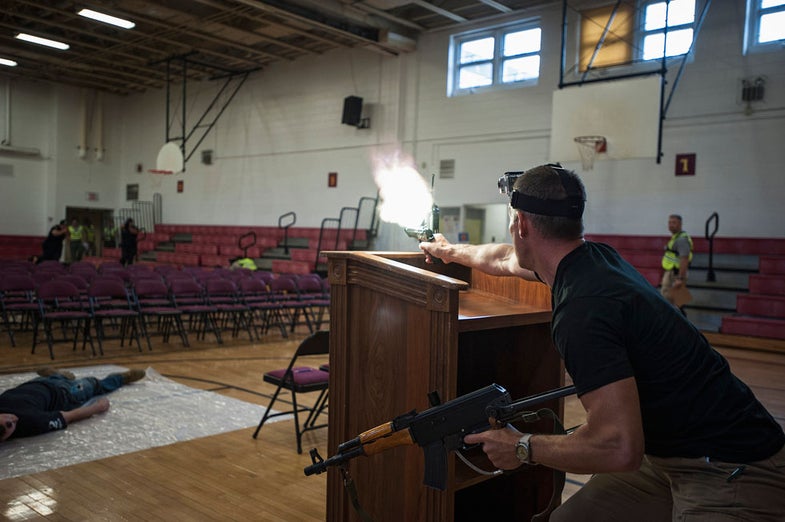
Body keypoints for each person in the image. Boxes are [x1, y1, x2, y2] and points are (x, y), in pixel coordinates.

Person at [419, 164, 785, 521]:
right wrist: (449, 251)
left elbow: (617, 445)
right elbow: (500, 257)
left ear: (521, 225)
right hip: (666, 456)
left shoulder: (583, 309)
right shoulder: (593, 258)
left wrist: (522, 446)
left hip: (733, 468)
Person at [0, 367, 146, 441]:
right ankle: (121, 378)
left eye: (6, 419)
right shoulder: (32, 423)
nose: (13, 419)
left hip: (34, 384)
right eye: (10, 426)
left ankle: (57, 375)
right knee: (93, 384)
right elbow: (67, 416)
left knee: (55, 379)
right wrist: (96, 407)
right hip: (65, 394)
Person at [661, 214, 693, 309]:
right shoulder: (675, 237)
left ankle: (679, 322)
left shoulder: (681, 239)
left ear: (680, 224)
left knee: (675, 305)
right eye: (669, 222)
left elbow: (684, 259)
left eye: (674, 223)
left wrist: (680, 278)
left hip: (676, 274)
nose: (671, 225)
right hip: (671, 272)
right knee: (675, 304)